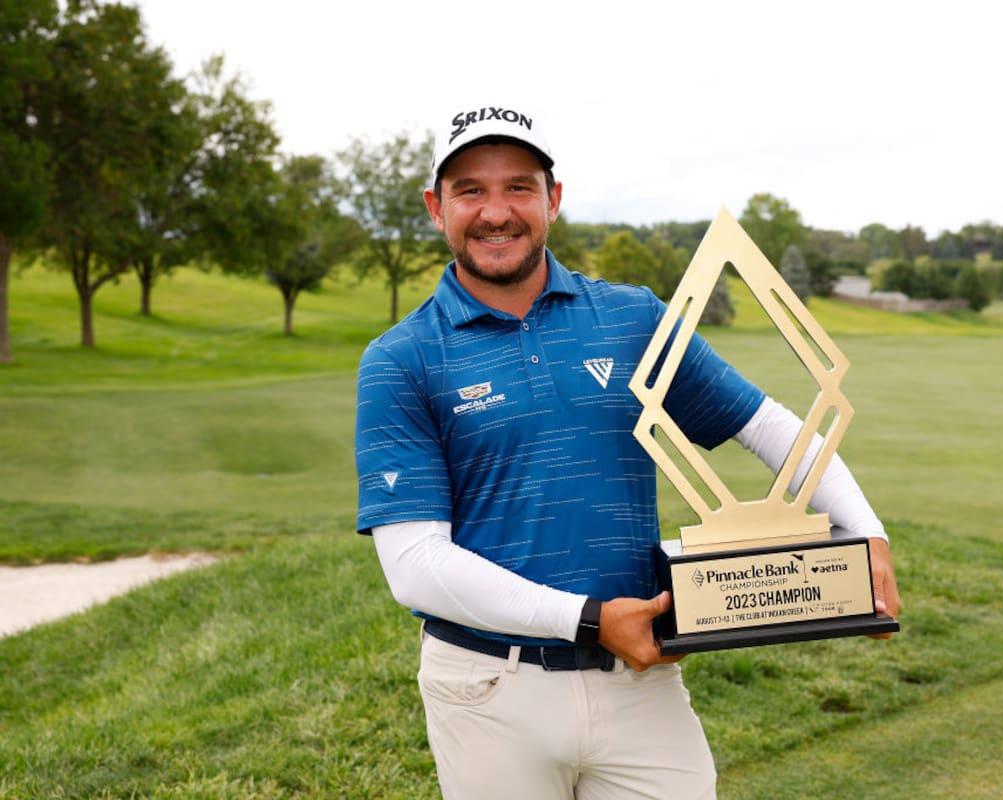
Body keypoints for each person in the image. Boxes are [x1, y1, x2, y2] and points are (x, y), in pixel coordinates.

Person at [354, 104, 902, 800]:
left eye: (519, 186)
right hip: (488, 688)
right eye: (471, 190)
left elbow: (765, 424)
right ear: (437, 207)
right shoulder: (400, 360)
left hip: (641, 681)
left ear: (553, 198)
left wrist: (867, 535)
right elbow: (415, 567)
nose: (497, 211)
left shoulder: (630, 316)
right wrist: (586, 619)